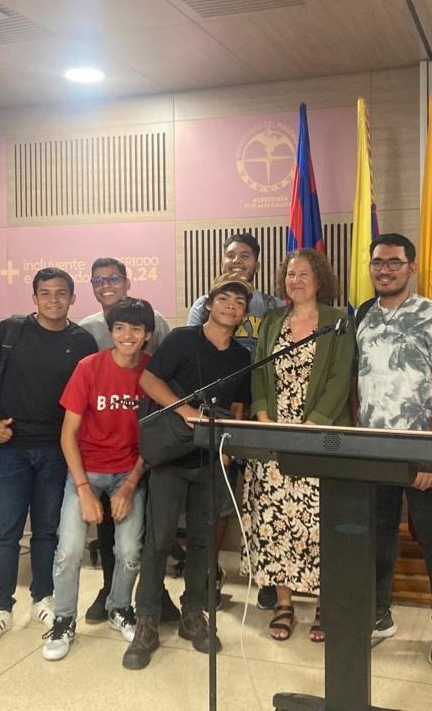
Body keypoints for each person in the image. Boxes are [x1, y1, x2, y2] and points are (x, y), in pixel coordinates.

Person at [123, 274, 253, 670]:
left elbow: (238, 407)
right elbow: (148, 379)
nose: (232, 306)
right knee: (158, 540)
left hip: (212, 459)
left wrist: (231, 448)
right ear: (210, 304)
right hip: (171, 459)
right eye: (224, 298)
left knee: (202, 542)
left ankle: (193, 614)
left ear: (245, 314)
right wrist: (185, 411)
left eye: (240, 303)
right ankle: (146, 619)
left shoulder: (242, 356)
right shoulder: (182, 339)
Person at [0, 268, 98, 647]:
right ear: (35, 298)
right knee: (6, 534)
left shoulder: (83, 342)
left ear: (73, 299)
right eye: (45, 293)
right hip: (11, 448)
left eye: (62, 293)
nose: (53, 300)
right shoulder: (11, 331)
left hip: (56, 451)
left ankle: (42, 598)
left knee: (47, 531)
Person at [354, 232, 432, 667]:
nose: (384, 269)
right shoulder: (362, 316)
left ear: (411, 268)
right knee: (377, 535)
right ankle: (379, 613)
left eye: (394, 262)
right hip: (373, 449)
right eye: (377, 262)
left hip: (419, 452)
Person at [243, 248, 354, 642]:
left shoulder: (338, 321)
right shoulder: (273, 320)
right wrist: (261, 414)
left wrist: (312, 427)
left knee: (317, 525)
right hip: (274, 439)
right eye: (290, 274)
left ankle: (326, 604)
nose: (296, 280)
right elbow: (258, 372)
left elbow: (342, 378)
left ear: (319, 278)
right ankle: (285, 603)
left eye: (304, 273)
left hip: (318, 437)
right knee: (276, 524)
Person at [42, 298, 155, 661]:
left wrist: (129, 484)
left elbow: (154, 438)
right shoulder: (89, 368)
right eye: (120, 328)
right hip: (86, 470)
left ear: (147, 335)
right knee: (70, 549)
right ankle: (62, 619)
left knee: (129, 551)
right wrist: (84, 489)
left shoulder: (152, 374)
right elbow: (67, 435)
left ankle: (119, 607)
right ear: (111, 331)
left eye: (136, 329)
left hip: (129, 471)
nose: (127, 336)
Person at [187, 232, 285, 610]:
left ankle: (268, 576)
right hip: (219, 412)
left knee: (263, 497)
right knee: (220, 498)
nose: (237, 261)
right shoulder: (203, 305)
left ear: (257, 263)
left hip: (260, 411)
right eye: (231, 256)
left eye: (245, 255)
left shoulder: (275, 306)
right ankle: (207, 571)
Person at [76, 257, 170, 624]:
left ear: (127, 282)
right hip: (102, 448)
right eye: (98, 279)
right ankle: (110, 592)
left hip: (146, 442)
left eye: (113, 277)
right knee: (108, 526)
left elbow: (161, 376)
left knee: (146, 525)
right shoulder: (86, 330)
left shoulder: (154, 320)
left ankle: (155, 593)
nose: (106, 284)